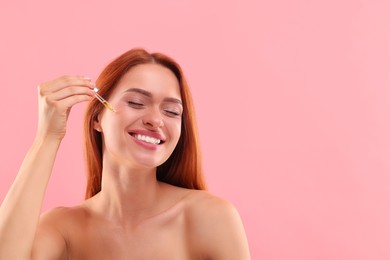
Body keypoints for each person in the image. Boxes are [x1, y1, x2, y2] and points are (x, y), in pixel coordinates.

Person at [0, 48, 251, 259]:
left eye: (172, 112)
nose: (155, 120)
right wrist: (47, 138)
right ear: (98, 117)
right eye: (136, 103)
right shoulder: (62, 229)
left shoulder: (210, 218)